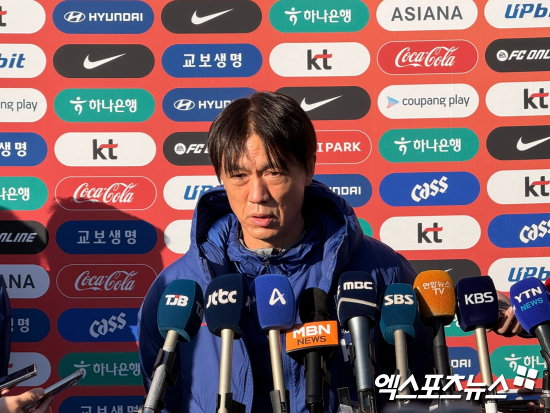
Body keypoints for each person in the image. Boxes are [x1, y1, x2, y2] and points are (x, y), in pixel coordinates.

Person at [138, 91, 521, 413]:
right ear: (220, 176)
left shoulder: (381, 269)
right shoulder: (177, 287)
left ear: (308, 168)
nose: (257, 195)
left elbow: (422, 390)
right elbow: (163, 398)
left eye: (274, 172)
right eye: (238, 175)